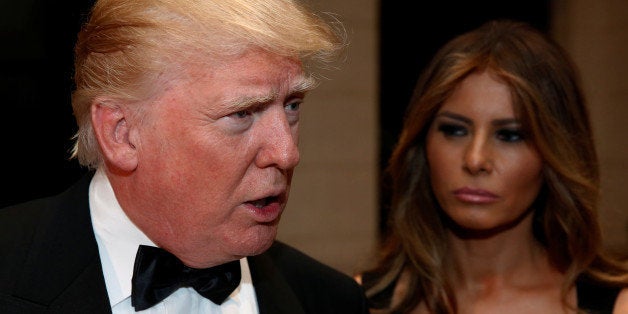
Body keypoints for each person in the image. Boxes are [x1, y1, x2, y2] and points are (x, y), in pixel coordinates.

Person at [0, 0, 369, 313]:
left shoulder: (330, 299)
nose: (288, 153)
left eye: (291, 106)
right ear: (122, 134)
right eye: (242, 114)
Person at [357, 20, 628, 313]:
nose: (475, 160)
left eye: (509, 135)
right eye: (454, 130)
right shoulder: (358, 301)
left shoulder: (615, 304)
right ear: (422, 145)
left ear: (556, 152)